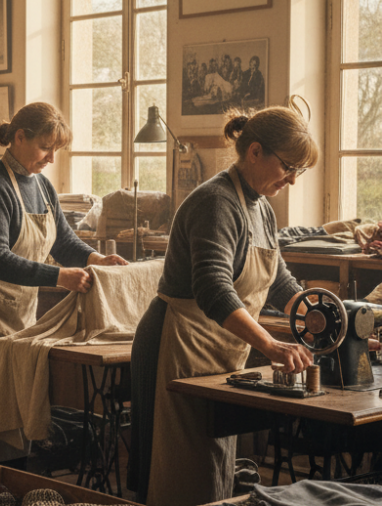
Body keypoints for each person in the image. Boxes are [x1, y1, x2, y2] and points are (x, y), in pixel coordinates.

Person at [129, 106, 319, 506]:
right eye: (288, 167)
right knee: (179, 477)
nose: (293, 180)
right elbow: (213, 289)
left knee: (212, 475)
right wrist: (271, 345)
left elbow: (279, 281)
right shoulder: (216, 202)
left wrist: (316, 313)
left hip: (216, 350)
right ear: (254, 152)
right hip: (177, 345)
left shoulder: (261, 206)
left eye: (299, 171)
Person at [0, 102, 127, 466]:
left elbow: (63, 242)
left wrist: (95, 260)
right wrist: (60, 277)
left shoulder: (42, 186)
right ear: (19, 137)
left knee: (16, 409)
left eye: (56, 150)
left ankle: (15, 483)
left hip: (19, 311)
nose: (50, 159)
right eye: (46, 148)